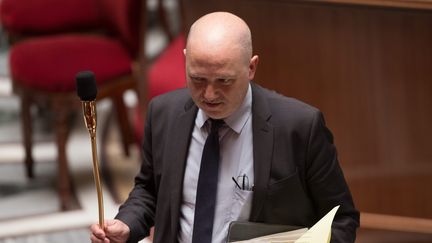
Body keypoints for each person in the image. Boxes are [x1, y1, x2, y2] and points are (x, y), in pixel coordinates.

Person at [90, 11, 359, 243]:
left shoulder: (299, 126)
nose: (209, 95)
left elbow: (342, 219)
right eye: (197, 79)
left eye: (224, 81)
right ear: (185, 59)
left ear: (251, 68)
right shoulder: (164, 113)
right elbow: (149, 189)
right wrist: (126, 225)